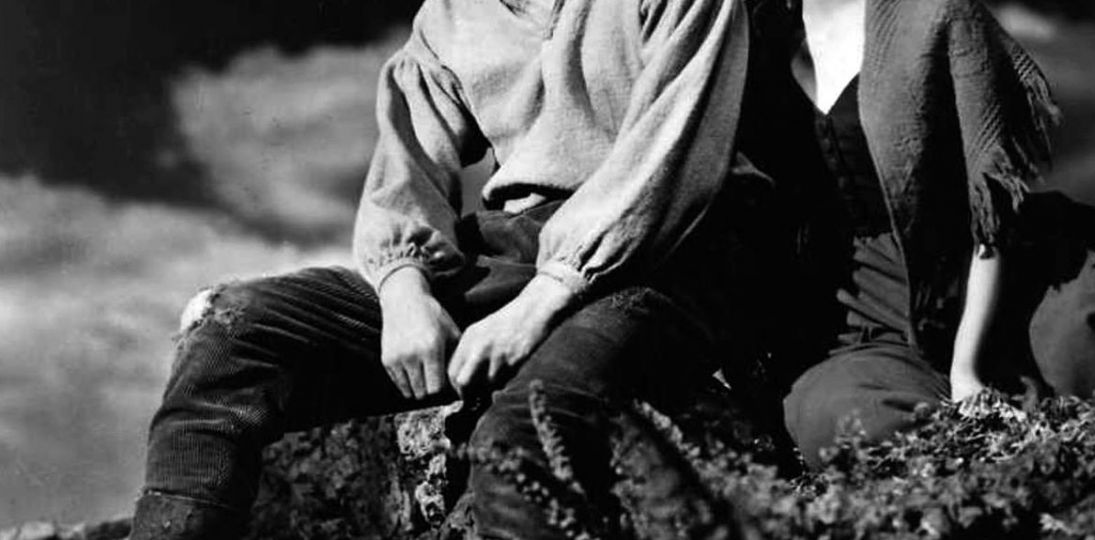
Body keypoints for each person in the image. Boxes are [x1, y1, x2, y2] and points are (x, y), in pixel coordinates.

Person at [126, 0, 789, 538]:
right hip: (528, 243)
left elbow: (672, 159)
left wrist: (541, 305)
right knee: (235, 330)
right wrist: (403, 287)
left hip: (682, 243)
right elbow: (406, 172)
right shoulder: (449, 18)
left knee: (522, 432)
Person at [769, 0, 1095, 468]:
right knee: (834, 419)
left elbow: (987, 207)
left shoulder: (934, 13)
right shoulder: (753, 37)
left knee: (1087, 367)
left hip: (1006, 282)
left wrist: (966, 370)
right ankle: (978, 467)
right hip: (872, 317)